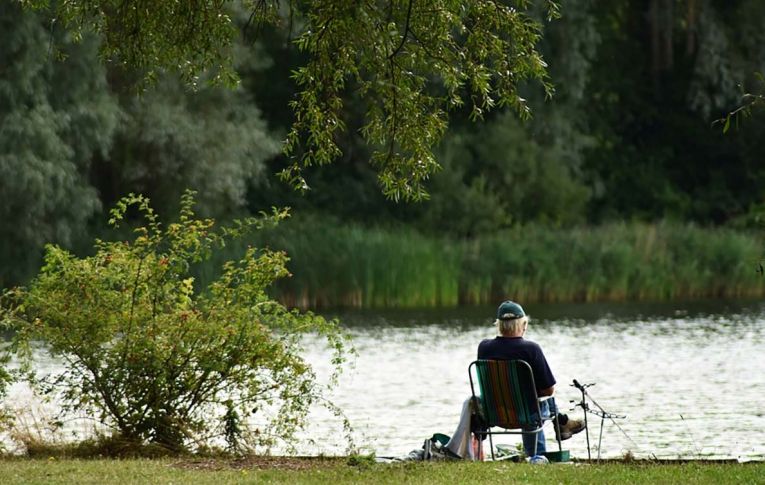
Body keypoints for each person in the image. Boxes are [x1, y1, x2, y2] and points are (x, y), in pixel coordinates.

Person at [477, 300, 584, 457]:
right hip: (526, 415)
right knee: (542, 399)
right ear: (524, 325)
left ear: (498, 325)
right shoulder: (531, 349)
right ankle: (547, 442)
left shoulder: (484, 347)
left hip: (494, 413)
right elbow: (549, 390)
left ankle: (562, 423)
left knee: (533, 400)